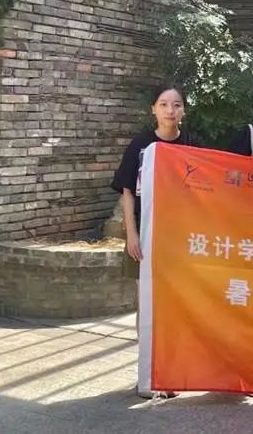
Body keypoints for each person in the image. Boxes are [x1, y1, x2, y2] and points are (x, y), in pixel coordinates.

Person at [110, 84, 200, 400]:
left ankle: (169, 373)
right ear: (153, 109)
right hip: (146, 237)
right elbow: (126, 192)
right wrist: (131, 234)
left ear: (183, 110)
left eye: (176, 104)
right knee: (146, 305)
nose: (170, 110)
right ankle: (147, 375)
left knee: (175, 307)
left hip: (179, 240)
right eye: (163, 104)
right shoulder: (141, 146)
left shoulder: (191, 145)